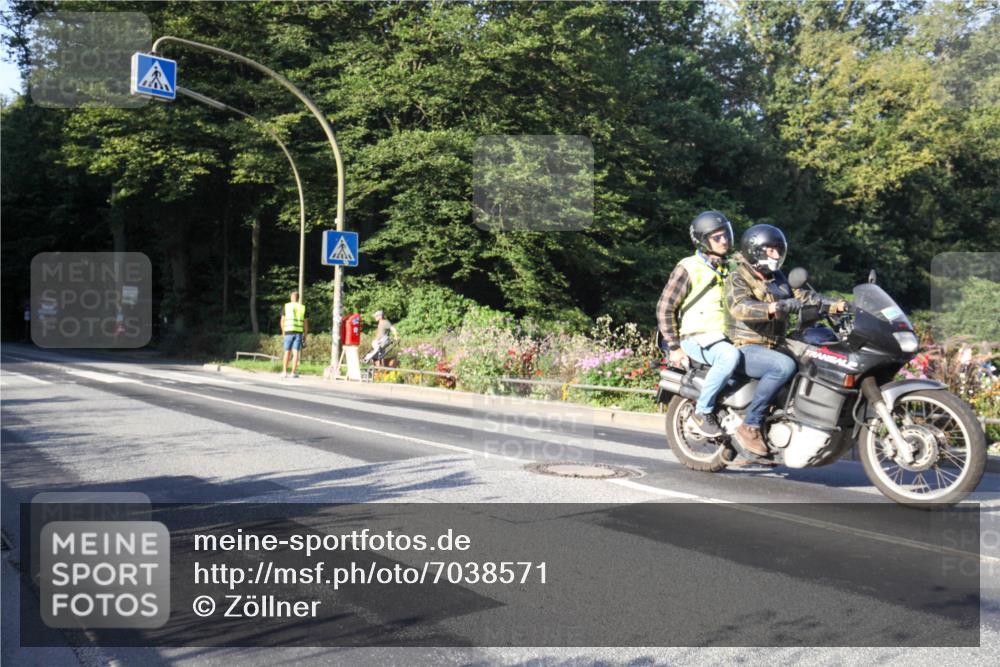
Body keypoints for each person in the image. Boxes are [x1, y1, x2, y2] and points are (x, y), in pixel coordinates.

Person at [725, 224, 846, 456]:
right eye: (771, 250)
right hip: (746, 346)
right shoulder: (739, 276)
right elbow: (739, 307)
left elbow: (806, 297)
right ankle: (750, 424)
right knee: (783, 366)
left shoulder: (778, 278)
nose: (776, 255)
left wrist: (838, 305)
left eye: (779, 250)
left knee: (814, 360)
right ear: (755, 251)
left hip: (776, 344)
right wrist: (774, 307)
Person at [656, 211, 741, 438]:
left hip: (726, 337)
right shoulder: (689, 267)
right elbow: (665, 308)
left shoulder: (731, 267)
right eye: (717, 237)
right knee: (728, 357)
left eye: (726, 235)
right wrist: (674, 346)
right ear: (703, 241)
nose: (724, 241)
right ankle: (702, 412)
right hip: (696, 337)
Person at [280, 291, 308, 378]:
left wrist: (283, 332)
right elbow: (305, 323)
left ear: (291, 298)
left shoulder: (286, 306)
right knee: (296, 353)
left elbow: (282, 320)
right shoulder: (302, 307)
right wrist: (305, 334)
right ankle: (293, 373)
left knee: (287, 352)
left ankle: (284, 372)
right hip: (298, 332)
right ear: (298, 298)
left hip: (288, 332)